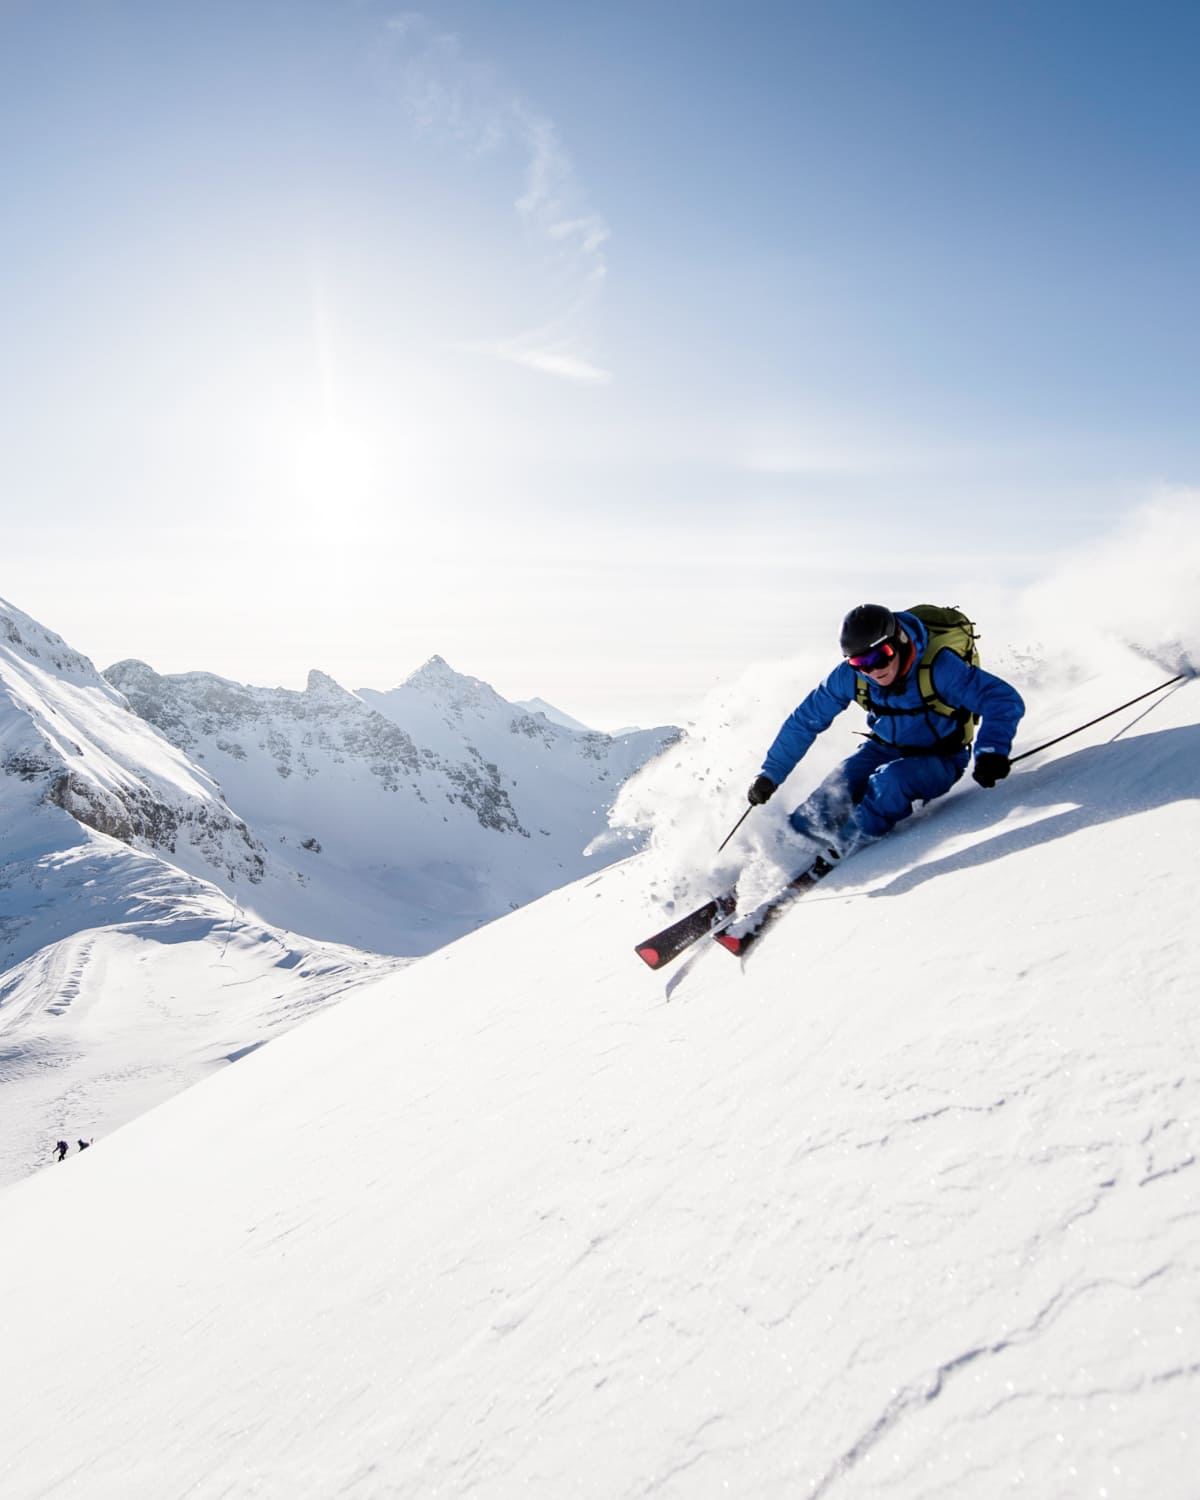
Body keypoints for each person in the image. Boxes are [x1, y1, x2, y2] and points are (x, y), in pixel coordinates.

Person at [747, 603, 1025, 859]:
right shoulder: (849, 676)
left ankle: (842, 850)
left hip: (940, 757)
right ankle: (783, 855)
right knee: (835, 789)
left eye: (881, 657)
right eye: (861, 663)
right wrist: (770, 774)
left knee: (890, 784)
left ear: (899, 642)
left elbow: (1001, 699)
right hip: (882, 748)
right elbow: (805, 721)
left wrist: (991, 751)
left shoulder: (939, 667)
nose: (873, 670)